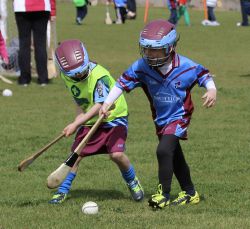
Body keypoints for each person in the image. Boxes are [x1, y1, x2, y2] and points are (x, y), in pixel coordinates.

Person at [100, 19, 217, 209]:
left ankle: (163, 194)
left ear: (170, 47)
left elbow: (203, 75)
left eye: (155, 50)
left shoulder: (186, 66)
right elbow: (121, 83)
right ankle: (190, 193)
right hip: (160, 119)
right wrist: (106, 103)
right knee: (173, 154)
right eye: (146, 49)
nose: (150, 54)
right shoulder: (141, 67)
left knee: (163, 151)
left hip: (180, 115)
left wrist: (211, 90)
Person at [49, 39, 144, 204]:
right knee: (75, 156)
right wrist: (77, 119)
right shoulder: (67, 76)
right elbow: (79, 99)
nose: (79, 75)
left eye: (81, 71)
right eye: (74, 74)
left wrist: (76, 124)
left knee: (117, 155)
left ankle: (132, 182)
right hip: (91, 118)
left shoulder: (99, 76)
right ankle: (62, 190)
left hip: (114, 116)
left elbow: (99, 104)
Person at [13, 0, 56, 86]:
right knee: (40, 44)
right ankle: (43, 79)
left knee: (24, 44)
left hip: (21, 7)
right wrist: (53, 10)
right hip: (42, 7)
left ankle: (24, 79)